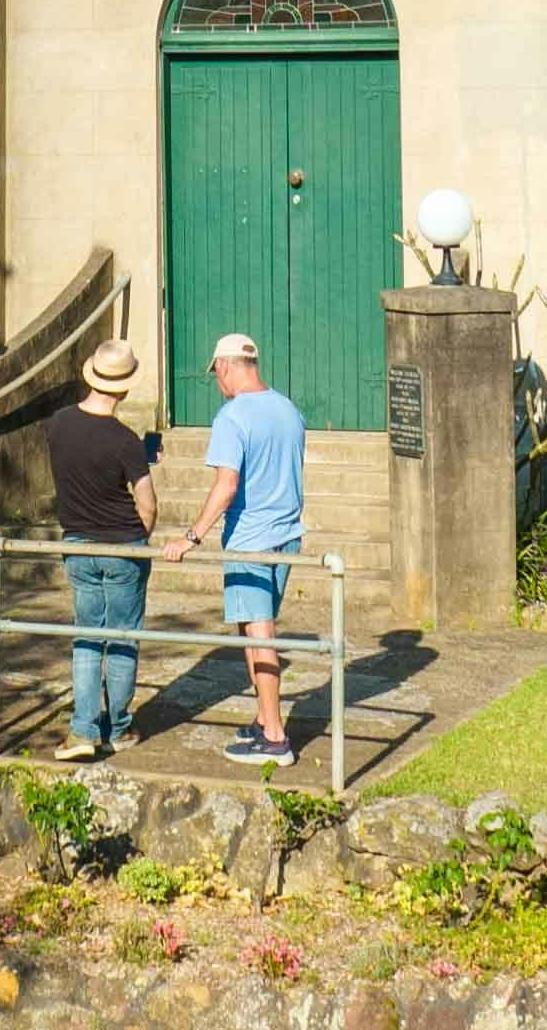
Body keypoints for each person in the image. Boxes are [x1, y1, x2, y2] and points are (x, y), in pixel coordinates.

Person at [163, 329, 305, 767]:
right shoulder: (288, 409)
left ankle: (276, 737)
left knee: (259, 633)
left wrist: (191, 536)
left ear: (225, 367)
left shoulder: (232, 417)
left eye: (216, 373)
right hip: (287, 535)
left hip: (251, 541)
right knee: (251, 629)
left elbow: (226, 487)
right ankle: (265, 720)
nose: (218, 382)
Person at [41, 341, 158, 759]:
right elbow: (147, 503)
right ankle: (119, 728)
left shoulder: (57, 425)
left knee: (87, 636)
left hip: (77, 543)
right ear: (124, 389)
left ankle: (82, 730)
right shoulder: (126, 442)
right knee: (122, 639)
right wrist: (139, 538)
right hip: (123, 546)